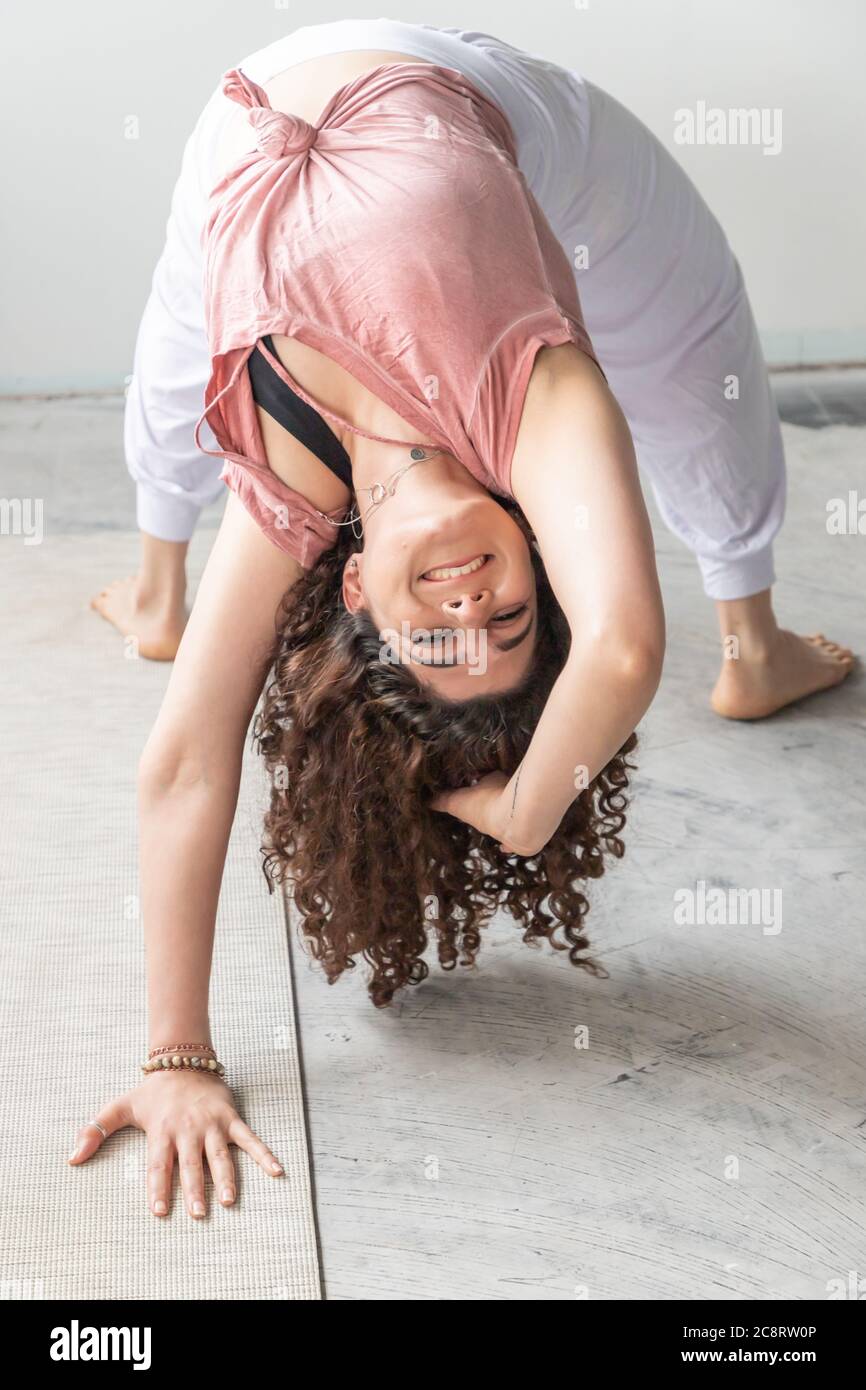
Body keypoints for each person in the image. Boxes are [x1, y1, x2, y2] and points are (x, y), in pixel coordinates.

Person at [75, 19, 852, 1219]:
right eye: (512, 625)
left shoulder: (288, 488)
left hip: (242, 117)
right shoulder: (532, 401)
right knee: (696, 331)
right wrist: (527, 812)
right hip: (467, 87)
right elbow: (628, 647)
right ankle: (753, 648)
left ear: (348, 587)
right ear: (543, 569)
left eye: (435, 643)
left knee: (179, 367)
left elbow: (183, 760)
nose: (473, 611)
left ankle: (154, 589)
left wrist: (175, 1052)